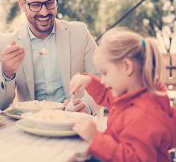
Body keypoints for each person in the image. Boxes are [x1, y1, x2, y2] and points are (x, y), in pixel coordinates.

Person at [0, 0, 99, 113]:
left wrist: (87, 105)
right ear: (23, 5)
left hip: (73, 122)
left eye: (50, 3)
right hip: (31, 125)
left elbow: (103, 80)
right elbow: (0, 105)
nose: (44, 12)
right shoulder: (6, 44)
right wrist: (7, 73)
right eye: (35, 5)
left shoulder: (80, 33)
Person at [70, 28, 176, 161]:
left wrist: (95, 138)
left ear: (127, 66)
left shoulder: (143, 115)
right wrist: (89, 81)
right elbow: (106, 95)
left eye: (105, 73)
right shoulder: (130, 96)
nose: (103, 80)